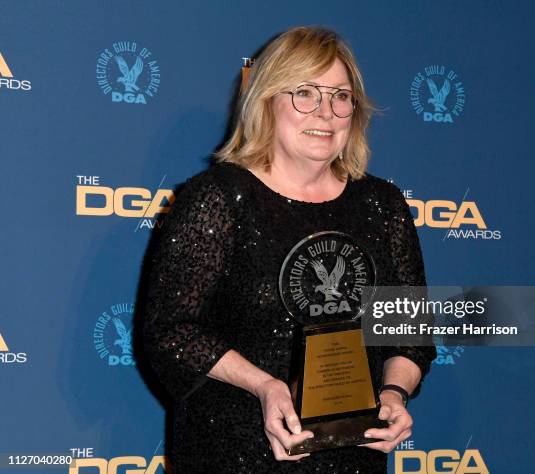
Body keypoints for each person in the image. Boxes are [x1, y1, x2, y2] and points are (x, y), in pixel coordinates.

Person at [142, 26, 436, 473]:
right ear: (266, 101)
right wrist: (265, 386)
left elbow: (410, 334)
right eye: (305, 93)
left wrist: (394, 394)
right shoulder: (219, 198)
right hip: (237, 452)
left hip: (352, 458)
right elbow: (172, 331)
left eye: (340, 96)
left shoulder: (382, 204)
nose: (326, 112)